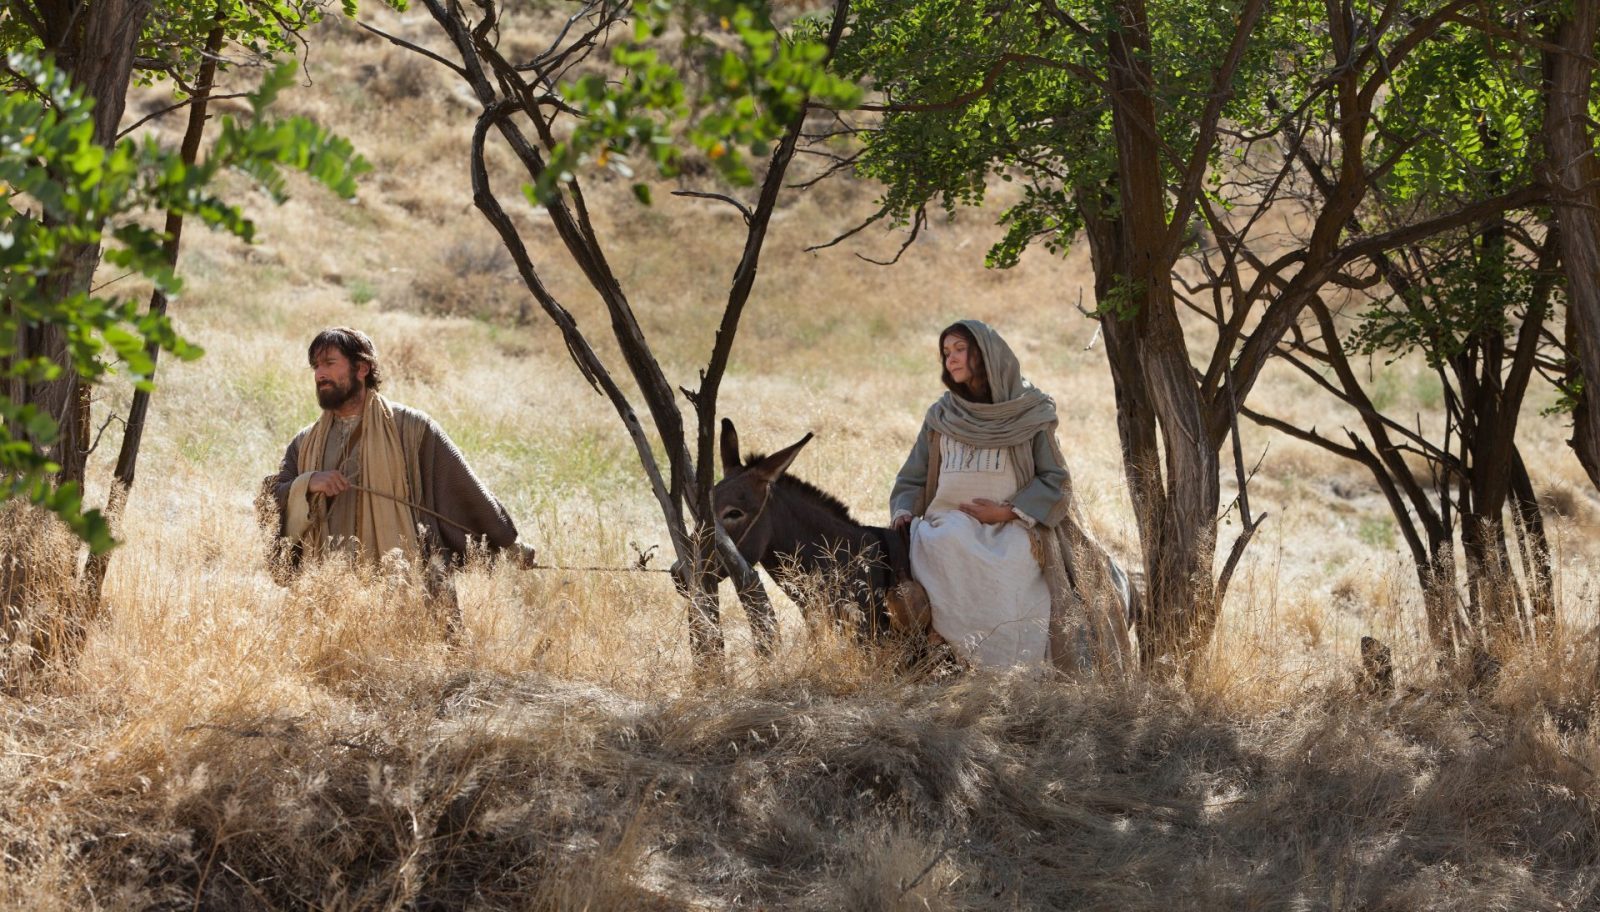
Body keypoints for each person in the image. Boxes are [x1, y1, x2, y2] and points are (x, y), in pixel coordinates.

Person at [889, 319, 1132, 674]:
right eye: (945, 353)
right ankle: (948, 651)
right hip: (947, 523)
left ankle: (1015, 667)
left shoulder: (1029, 412)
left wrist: (1005, 514)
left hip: (1016, 525)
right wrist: (903, 510)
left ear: (986, 354)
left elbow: (1056, 480)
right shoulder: (941, 415)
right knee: (939, 543)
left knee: (1016, 559)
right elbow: (912, 475)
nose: (950, 360)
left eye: (959, 350)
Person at [263, 327, 532, 589]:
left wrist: (509, 544)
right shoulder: (305, 442)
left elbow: (462, 486)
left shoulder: (412, 429)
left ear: (362, 368)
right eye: (315, 366)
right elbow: (272, 495)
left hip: (405, 585)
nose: (320, 373)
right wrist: (308, 483)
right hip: (329, 594)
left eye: (329, 363)